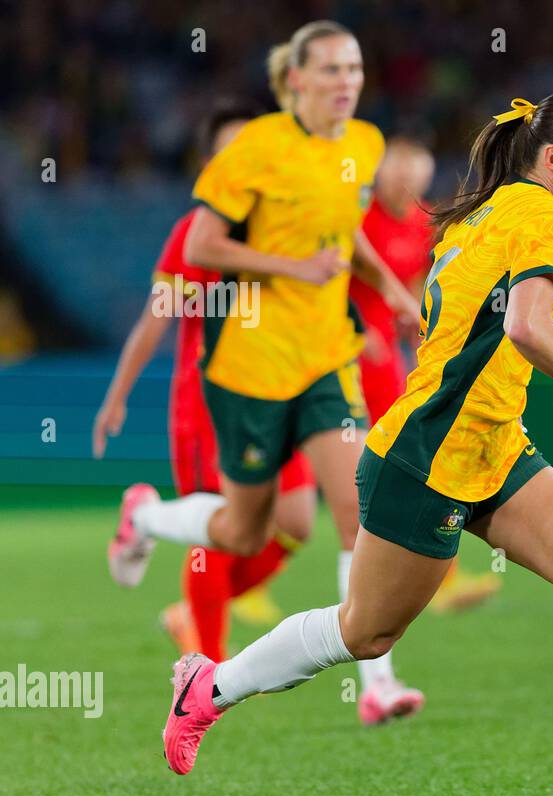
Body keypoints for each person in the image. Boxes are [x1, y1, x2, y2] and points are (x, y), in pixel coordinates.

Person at [160, 90, 553, 796]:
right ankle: (207, 688)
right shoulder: (545, 217)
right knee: (363, 632)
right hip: (428, 458)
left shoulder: (489, 212)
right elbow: (527, 326)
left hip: (491, 444)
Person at [107, 20, 426, 723]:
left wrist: (397, 293)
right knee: (242, 531)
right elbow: (204, 243)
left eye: (356, 68)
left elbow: (343, 234)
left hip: (323, 361)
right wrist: (292, 268)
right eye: (332, 70)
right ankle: (148, 517)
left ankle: (377, 684)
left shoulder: (365, 145)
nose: (347, 82)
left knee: (355, 509)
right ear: (295, 80)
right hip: (249, 369)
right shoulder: (256, 151)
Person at [93, 99, 315, 663]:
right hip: (210, 406)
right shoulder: (195, 233)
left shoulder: (286, 226)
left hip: (278, 395)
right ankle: (209, 671)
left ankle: (187, 608)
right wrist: (116, 397)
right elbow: (156, 320)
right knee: (214, 533)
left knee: (295, 520)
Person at [348, 136, 500, 613]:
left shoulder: (421, 222)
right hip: (347, 345)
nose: (405, 186)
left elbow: (418, 284)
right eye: (398, 176)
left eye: (415, 179)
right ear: (380, 173)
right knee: (401, 454)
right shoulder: (357, 219)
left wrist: (424, 342)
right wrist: (352, 327)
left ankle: (437, 576)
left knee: (408, 452)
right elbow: (331, 274)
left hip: (387, 349)